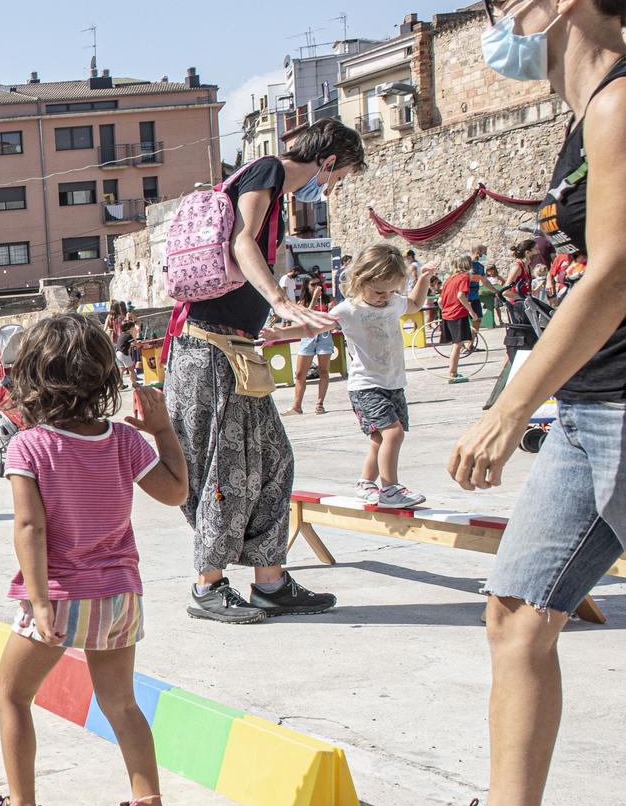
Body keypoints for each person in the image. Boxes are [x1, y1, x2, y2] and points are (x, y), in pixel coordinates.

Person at [391, 0, 626, 806]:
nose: (494, 29)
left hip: (610, 406)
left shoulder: (617, 104)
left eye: (502, 4)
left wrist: (506, 404)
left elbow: (612, 273)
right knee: (516, 610)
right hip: (587, 407)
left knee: (519, 613)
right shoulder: (580, 117)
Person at [0, 314, 191, 806]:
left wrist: (39, 600)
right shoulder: (123, 442)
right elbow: (178, 492)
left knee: (12, 695)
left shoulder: (30, 447)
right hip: (118, 596)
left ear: (34, 379)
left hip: (60, 597)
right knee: (122, 703)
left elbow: (30, 526)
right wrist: (162, 429)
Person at [170, 120, 362, 624]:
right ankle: (208, 586)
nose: (335, 186)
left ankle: (270, 583)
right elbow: (241, 241)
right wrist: (281, 300)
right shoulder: (269, 171)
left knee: (273, 463)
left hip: (236, 349)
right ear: (329, 160)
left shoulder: (274, 186)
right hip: (207, 352)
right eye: (340, 175)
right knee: (224, 471)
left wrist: (272, 324)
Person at [333, 244, 437, 508]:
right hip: (366, 386)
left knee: (379, 439)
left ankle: (366, 483)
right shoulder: (348, 310)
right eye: (379, 291)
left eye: (391, 291)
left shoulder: (392, 303)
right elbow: (315, 325)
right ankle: (390, 489)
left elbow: (414, 304)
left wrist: (423, 278)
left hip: (393, 384)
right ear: (361, 281)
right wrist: (281, 333)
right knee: (393, 433)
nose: (385, 297)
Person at [288, 283, 337, 415]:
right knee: (299, 374)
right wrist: (314, 299)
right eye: (312, 285)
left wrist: (332, 308)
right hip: (307, 338)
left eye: (318, 284)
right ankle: (297, 406)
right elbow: (304, 318)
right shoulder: (302, 302)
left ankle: (319, 404)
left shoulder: (328, 300)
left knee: (324, 371)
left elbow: (335, 317)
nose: (316, 287)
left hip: (324, 337)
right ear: (307, 288)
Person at [438, 252, 481, 381]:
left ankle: (453, 371)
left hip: (447, 314)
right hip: (458, 313)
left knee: (457, 343)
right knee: (457, 344)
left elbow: (440, 301)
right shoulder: (464, 277)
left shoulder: (448, 279)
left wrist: (445, 311)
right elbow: (461, 296)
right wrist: (472, 313)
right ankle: (453, 373)